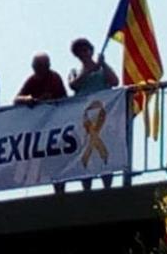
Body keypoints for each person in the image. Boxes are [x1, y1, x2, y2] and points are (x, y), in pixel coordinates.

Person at [67, 38, 119, 191]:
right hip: (84, 120)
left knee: (105, 152)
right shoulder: (75, 71)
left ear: (91, 49)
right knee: (86, 153)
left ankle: (107, 187)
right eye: (80, 51)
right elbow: (73, 84)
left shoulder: (103, 70)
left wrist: (102, 64)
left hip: (103, 118)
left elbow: (114, 81)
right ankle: (86, 187)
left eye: (86, 49)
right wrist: (88, 70)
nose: (84, 53)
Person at [14, 52, 68, 194]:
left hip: (57, 127)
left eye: (42, 66)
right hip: (39, 129)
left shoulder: (54, 78)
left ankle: (61, 191)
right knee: (46, 161)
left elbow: (65, 99)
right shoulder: (32, 80)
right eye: (36, 66)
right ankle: (56, 189)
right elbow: (16, 99)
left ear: (48, 66)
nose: (38, 69)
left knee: (59, 159)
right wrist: (28, 99)